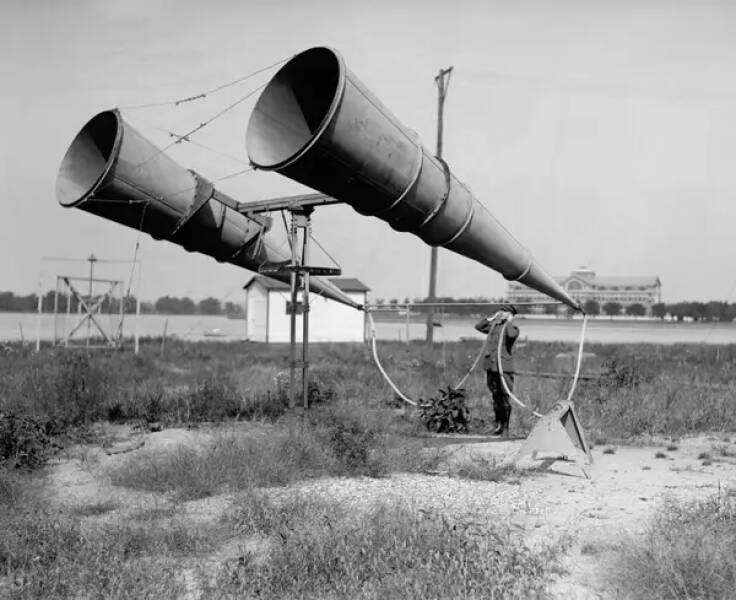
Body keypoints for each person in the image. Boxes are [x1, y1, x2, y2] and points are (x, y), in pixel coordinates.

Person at [474, 305, 519, 436]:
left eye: (505, 312)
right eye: (501, 311)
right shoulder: (494, 326)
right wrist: (492, 318)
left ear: (510, 314)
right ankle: (498, 425)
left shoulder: (512, 328)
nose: (502, 314)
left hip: (504, 368)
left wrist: (509, 320)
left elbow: (511, 336)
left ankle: (505, 427)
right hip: (491, 367)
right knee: (496, 397)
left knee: (505, 398)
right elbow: (479, 326)